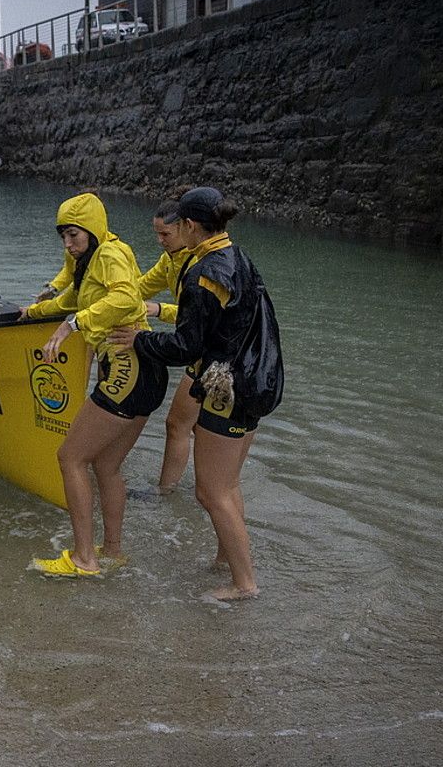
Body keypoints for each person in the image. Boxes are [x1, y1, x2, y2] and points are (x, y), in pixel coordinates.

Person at [109, 187, 283, 600]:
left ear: (189, 226)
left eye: (174, 228)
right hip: (256, 380)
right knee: (229, 484)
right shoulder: (237, 256)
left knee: (211, 491)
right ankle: (227, 558)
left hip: (227, 386)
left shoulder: (202, 272)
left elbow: (187, 347)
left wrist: (139, 341)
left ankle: (244, 584)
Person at [18, 193, 166, 578]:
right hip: (142, 371)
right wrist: (34, 311)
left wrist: (73, 325)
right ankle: (112, 551)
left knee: (70, 458)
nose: (67, 245)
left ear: (92, 230)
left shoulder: (111, 255)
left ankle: (84, 559)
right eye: (63, 238)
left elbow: (125, 297)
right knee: (106, 464)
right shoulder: (91, 259)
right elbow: (72, 296)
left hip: (127, 367)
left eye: (73, 236)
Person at [135, 197, 198, 494]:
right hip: (202, 354)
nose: (160, 241)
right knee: (191, 427)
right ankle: (203, 487)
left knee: (176, 425)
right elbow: (137, 289)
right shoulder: (169, 260)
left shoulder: (200, 263)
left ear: (186, 228)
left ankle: (165, 493)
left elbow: (194, 318)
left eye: (166, 235)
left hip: (211, 358)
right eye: (157, 234)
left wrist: (159, 310)